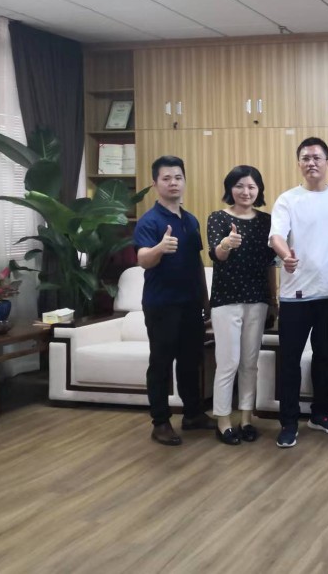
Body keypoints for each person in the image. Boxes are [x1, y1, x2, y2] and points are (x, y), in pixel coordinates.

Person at [269, 137, 328, 448]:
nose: (311, 162)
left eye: (317, 157)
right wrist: (286, 256)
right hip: (296, 296)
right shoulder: (288, 199)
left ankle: (320, 414)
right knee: (290, 361)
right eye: (305, 158)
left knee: (324, 358)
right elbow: (276, 236)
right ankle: (288, 422)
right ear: (299, 164)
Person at [134, 155, 212, 445]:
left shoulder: (190, 220)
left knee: (191, 361)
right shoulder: (149, 221)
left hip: (191, 303)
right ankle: (161, 422)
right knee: (161, 363)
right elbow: (143, 259)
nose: (173, 183)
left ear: (184, 181)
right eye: (166, 178)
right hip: (161, 304)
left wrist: (205, 300)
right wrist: (159, 248)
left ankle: (193, 414)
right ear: (155, 184)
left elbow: (197, 263)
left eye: (178, 177)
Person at [207, 165, 277, 445]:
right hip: (226, 300)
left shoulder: (266, 221)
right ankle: (223, 420)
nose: (245, 191)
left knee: (250, 362)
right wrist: (227, 243)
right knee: (228, 362)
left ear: (259, 190)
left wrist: (273, 300)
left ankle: (247, 418)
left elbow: (270, 264)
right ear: (230, 189)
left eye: (251, 186)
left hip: (257, 300)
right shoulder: (218, 218)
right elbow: (217, 255)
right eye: (239, 186)